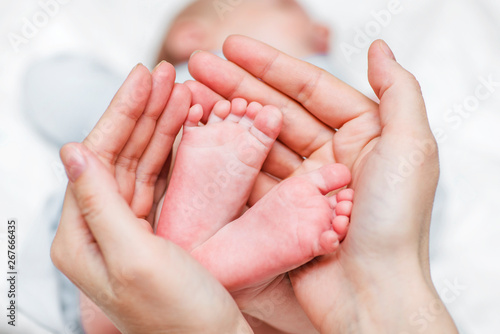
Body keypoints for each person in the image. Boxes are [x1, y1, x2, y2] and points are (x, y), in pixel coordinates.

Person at [52, 37, 459, 333]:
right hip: (253, 303)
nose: (322, 29)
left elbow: (48, 86)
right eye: (286, 6)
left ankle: (190, 249)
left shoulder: (143, 105)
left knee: (98, 252)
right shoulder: (163, 93)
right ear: (187, 35)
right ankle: (209, 254)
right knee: (299, 306)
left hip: (104, 271)